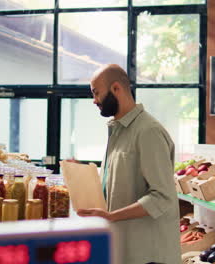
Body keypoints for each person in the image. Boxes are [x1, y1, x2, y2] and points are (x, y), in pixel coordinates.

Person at [77, 64, 181, 264]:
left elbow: (162, 197)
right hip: (125, 249)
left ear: (116, 89)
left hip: (148, 256)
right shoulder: (118, 131)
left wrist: (111, 216)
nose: (94, 100)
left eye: (97, 93)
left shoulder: (148, 132)